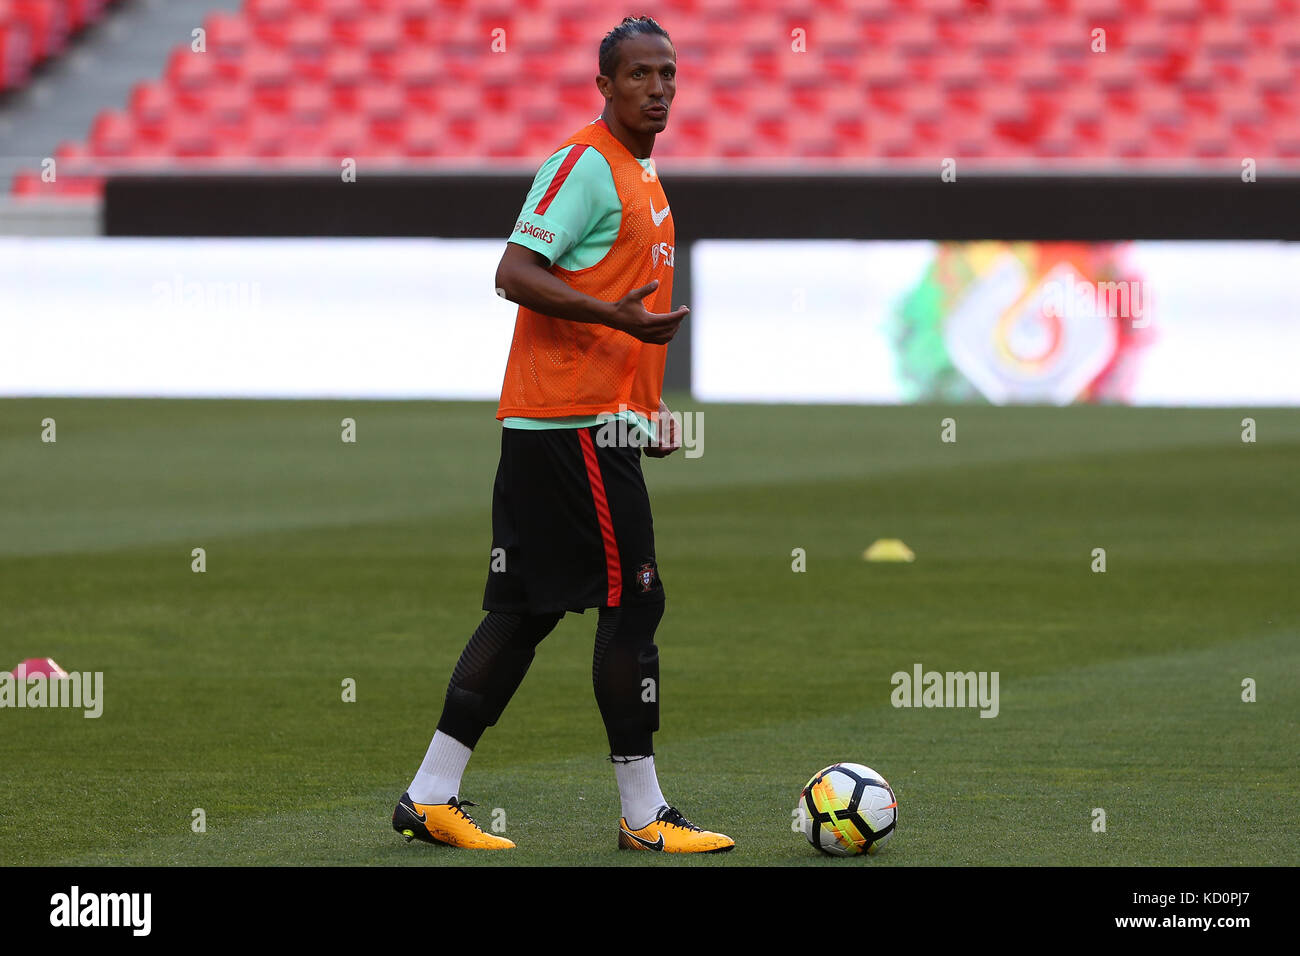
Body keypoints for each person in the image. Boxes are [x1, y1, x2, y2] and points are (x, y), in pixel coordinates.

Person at [392, 16, 733, 853]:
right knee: (635, 600)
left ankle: (428, 794)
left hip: (588, 424)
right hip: (568, 425)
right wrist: (607, 320)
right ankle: (645, 817)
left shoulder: (646, 181)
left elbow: (634, 321)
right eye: (640, 75)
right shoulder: (585, 166)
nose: (658, 88)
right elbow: (514, 273)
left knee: (525, 612)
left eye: (668, 74)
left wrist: (646, 415)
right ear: (605, 85)